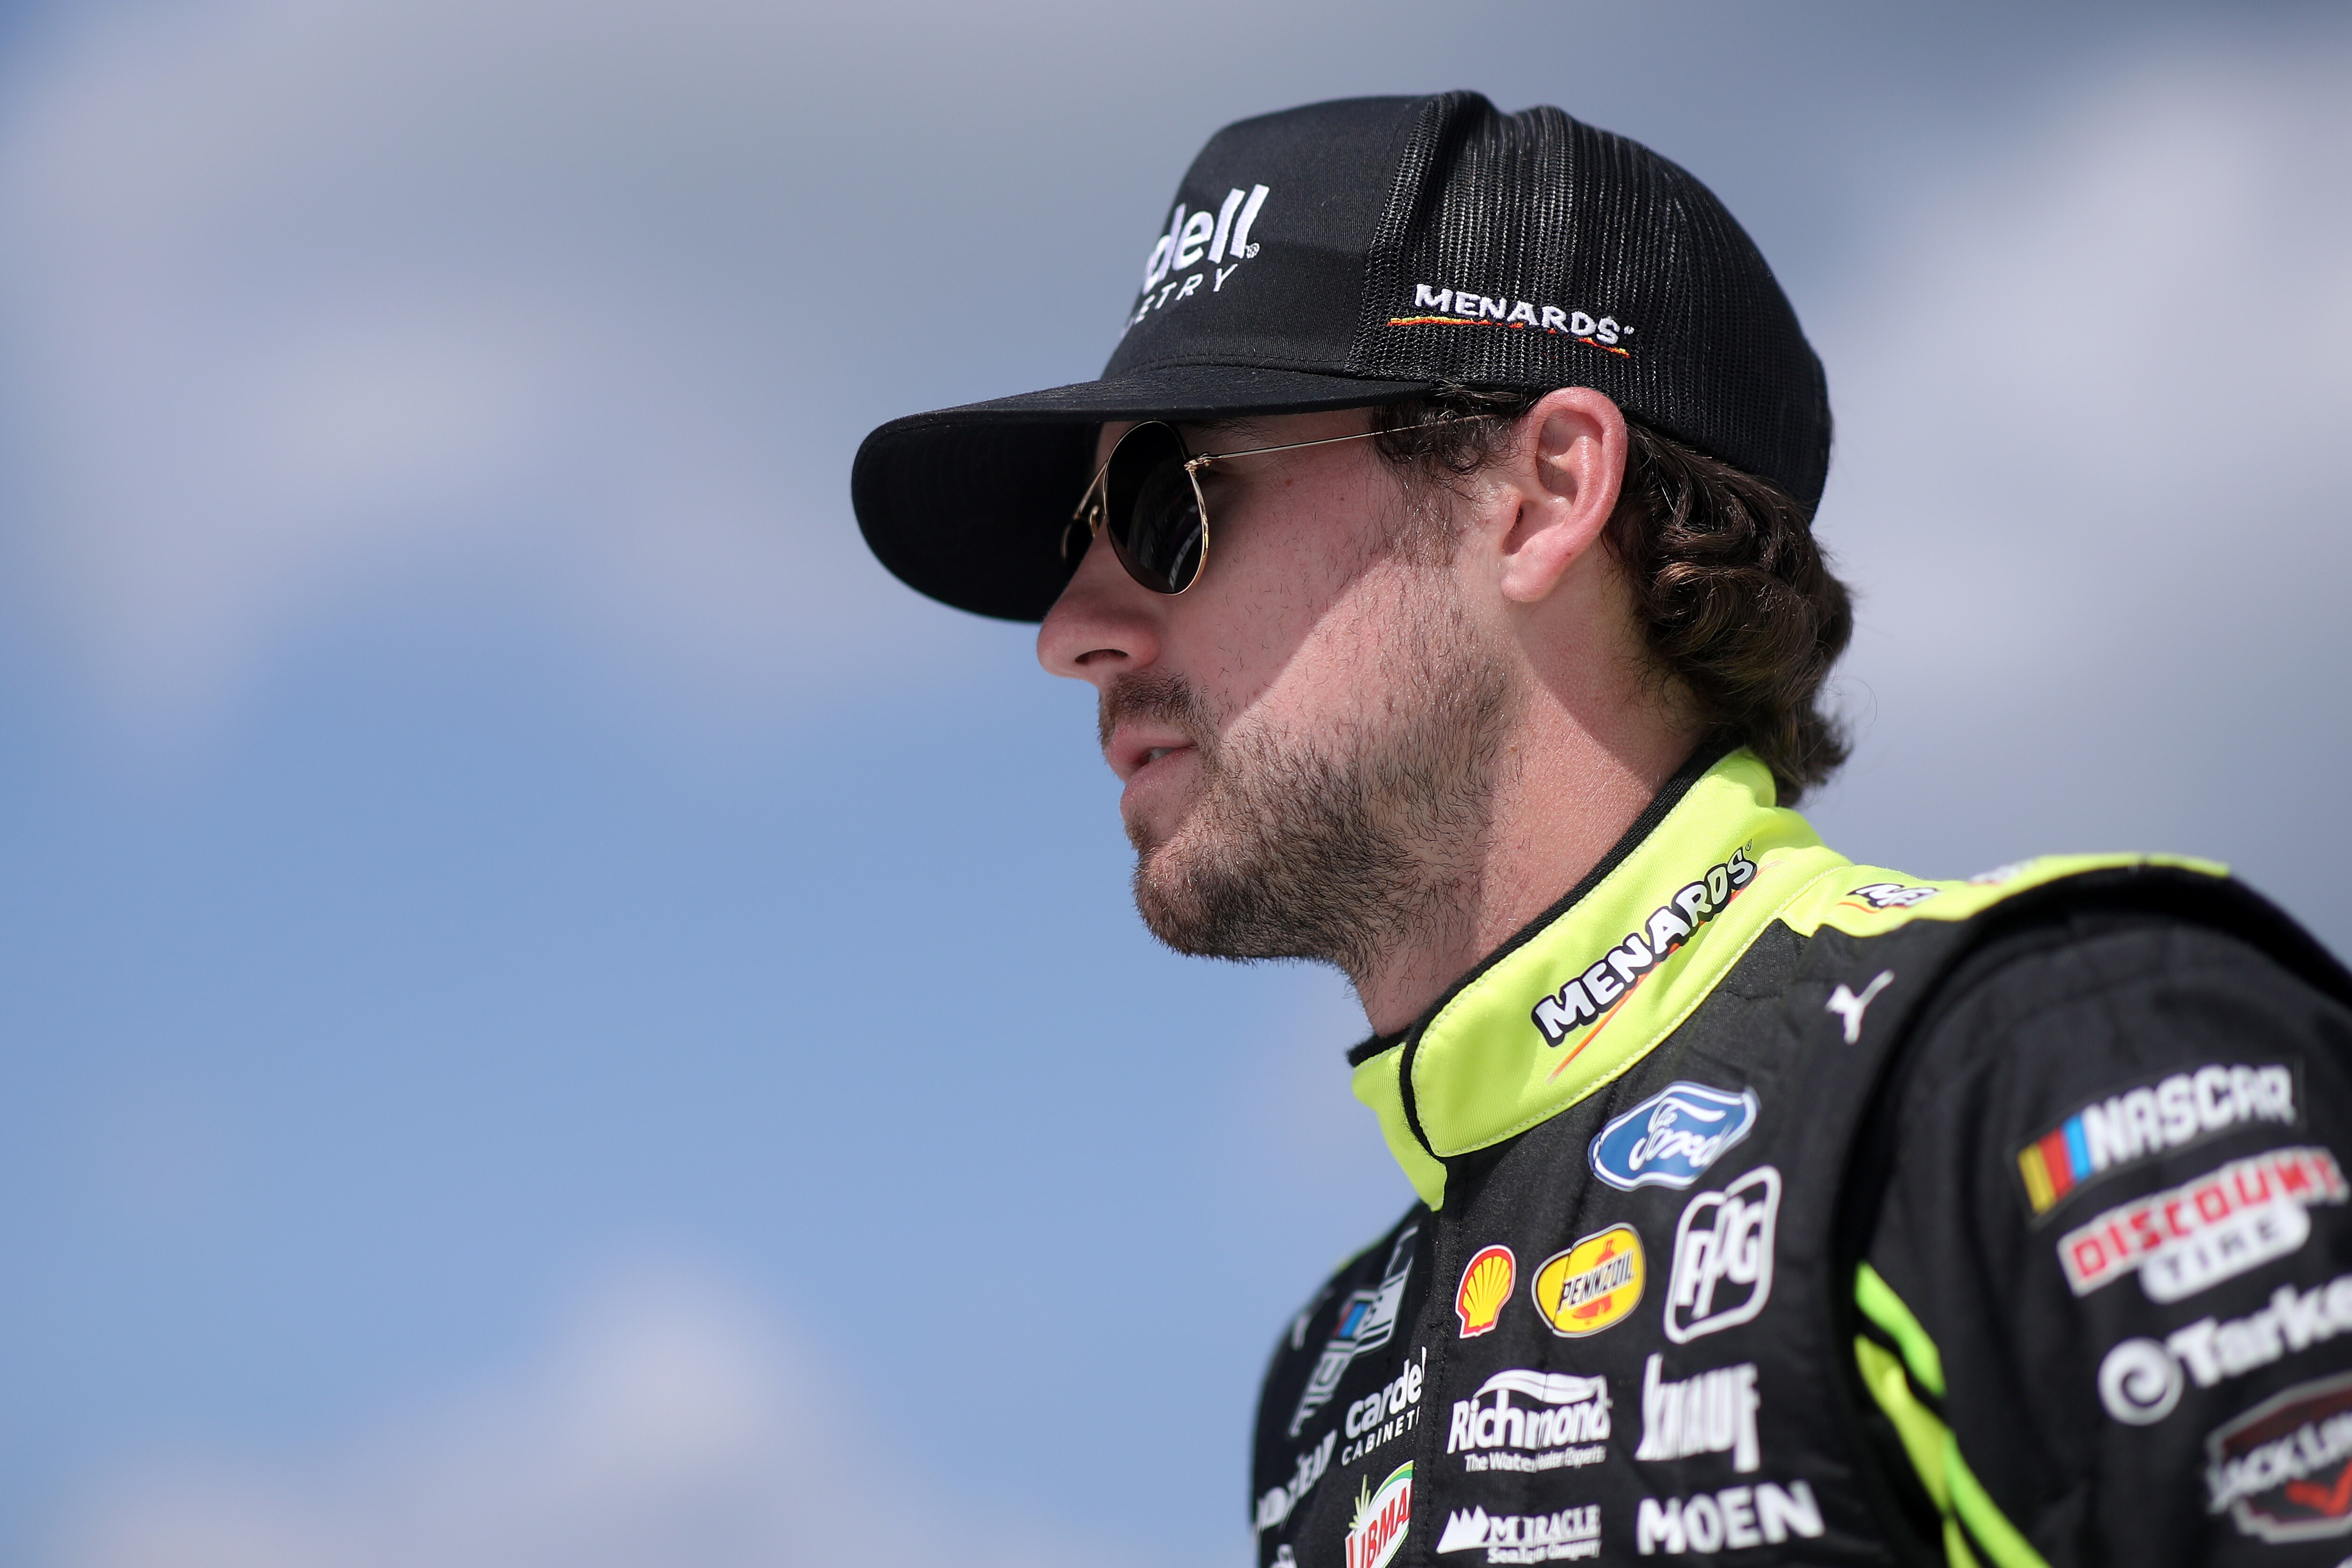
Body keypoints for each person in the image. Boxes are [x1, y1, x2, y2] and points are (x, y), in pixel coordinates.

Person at [850, 92, 2352, 1567]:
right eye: (1076, 543)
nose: (1071, 632)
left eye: (1169, 504)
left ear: (1541, 492)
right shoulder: (1331, 1384)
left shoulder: (2043, 1064)